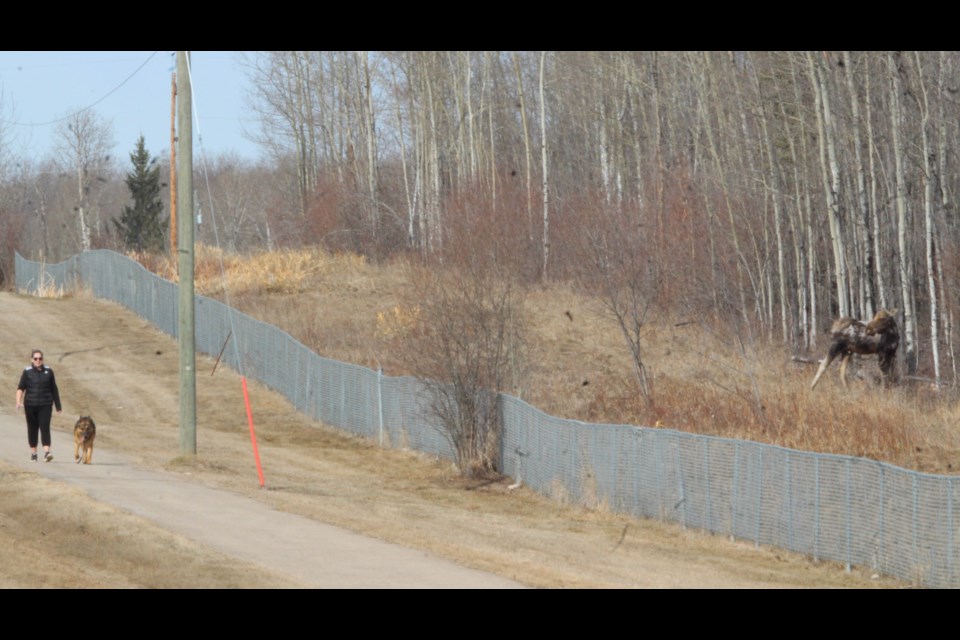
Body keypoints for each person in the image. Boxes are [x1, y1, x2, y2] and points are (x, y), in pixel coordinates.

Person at [15, 349, 62, 462]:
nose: (38, 360)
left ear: (42, 359)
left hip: (45, 404)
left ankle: (47, 452)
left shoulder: (49, 371)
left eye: (40, 358)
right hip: (30, 405)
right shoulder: (27, 372)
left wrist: (58, 404)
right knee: (32, 429)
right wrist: (18, 401)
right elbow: (21, 388)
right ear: (32, 359)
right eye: (35, 358)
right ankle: (34, 453)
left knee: (44, 427)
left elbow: (54, 388)